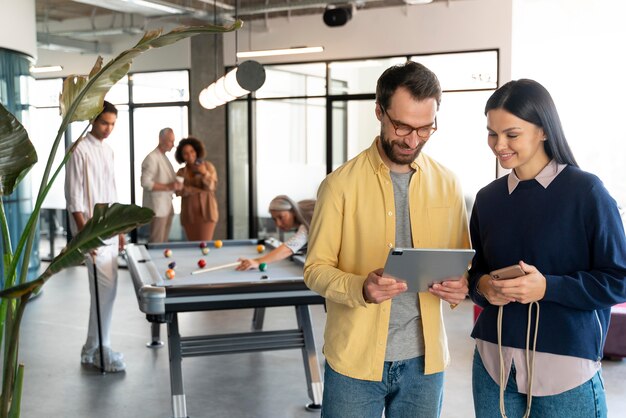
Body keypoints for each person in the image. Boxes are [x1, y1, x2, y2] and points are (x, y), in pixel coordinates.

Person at [303, 61, 471, 418]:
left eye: (426, 129)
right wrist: (360, 287)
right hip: (354, 363)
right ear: (379, 111)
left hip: (425, 364)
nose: (413, 140)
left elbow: (462, 264)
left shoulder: (448, 184)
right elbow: (315, 269)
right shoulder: (339, 186)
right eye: (402, 127)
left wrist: (462, 286)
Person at [468, 79, 626, 418]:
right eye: (492, 134)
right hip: (493, 365)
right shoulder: (487, 199)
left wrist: (547, 287)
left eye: (511, 134)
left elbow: (619, 279)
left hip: (564, 370)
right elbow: (476, 272)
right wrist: (483, 287)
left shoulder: (586, 193)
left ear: (543, 131)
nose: (499, 145)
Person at [64, 100, 126, 372]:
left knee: (108, 292)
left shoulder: (109, 150)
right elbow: (74, 199)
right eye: (104, 123)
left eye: (112, 124)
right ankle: (100, 349)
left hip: (110, 232)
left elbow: (111, 194)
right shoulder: (78, 150)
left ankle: (92, 348)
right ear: (92, 120)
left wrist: (120, 229)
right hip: (92, 235)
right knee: (103, 292)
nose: (108, 129)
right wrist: (85, 237)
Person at [236, 195, 315, 271]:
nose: (278, 224)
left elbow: (289, 248)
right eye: (274, 219)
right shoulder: (304, 215)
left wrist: (258, 262)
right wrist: (256, 260)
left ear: (293, 211)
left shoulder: (310, 221)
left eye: (281, 217)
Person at [140, 127, 183, 243]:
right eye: (170, 141)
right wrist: (169, 186)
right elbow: (145, 183)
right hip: (157, 207)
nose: (173, 145)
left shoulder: (164, 157)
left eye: (173, 141)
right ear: (160, 139)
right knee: (156, 241)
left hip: (167, 205)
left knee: (163, 241)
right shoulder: (151, 158)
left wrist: (176, 186)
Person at [174, 136, 219, 241]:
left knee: (205, 244)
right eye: (185, 153)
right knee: (192, 246)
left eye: (192, 151)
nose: (189, 155)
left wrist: (204, 173)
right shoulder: (181, 172)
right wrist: (198, 190)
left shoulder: (208, 167)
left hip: (207, 213)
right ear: (182, 156)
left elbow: (211, 187)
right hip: (189, 215)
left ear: (197, 151)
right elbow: (179, 191)